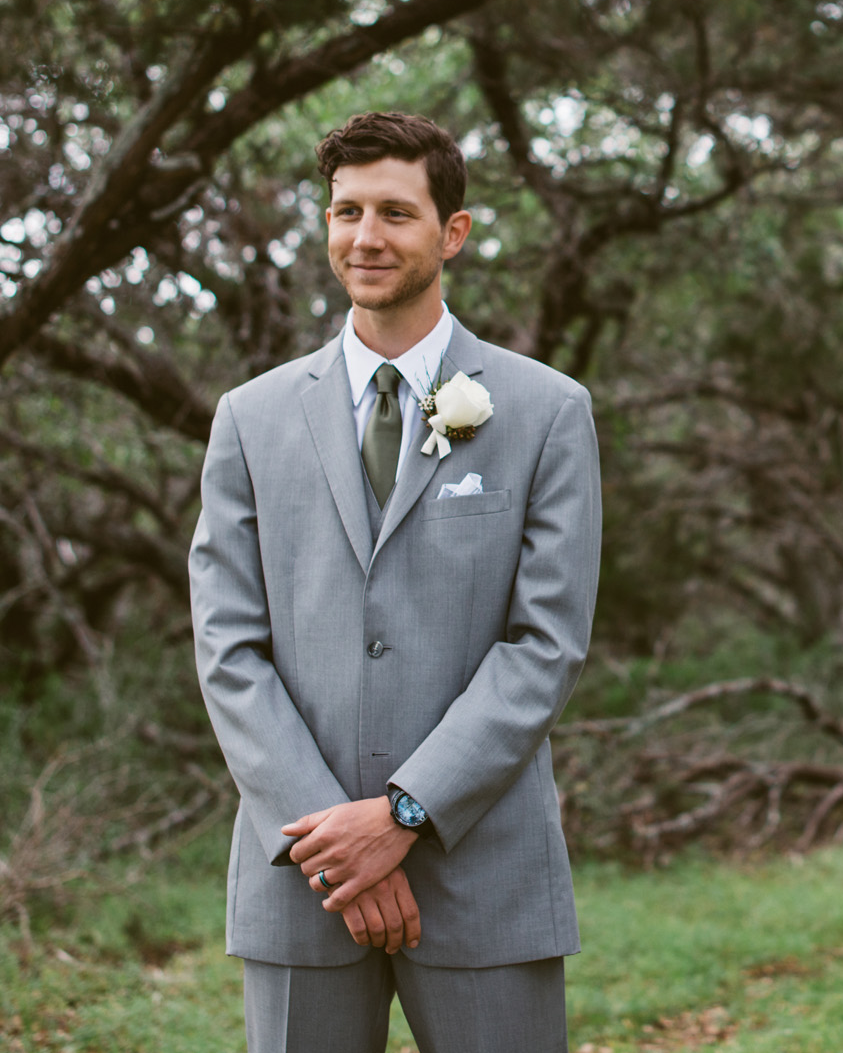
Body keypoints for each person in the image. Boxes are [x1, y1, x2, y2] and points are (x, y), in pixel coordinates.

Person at [189, 111, 601, 1053]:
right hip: (304, 880)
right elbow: (228, 647)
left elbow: (546, 644)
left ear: (451, 232)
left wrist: (407, 814)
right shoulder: (249, 420)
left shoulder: (545, 411)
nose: (365, 237)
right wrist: (337, 847)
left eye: (395, 213)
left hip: (485, 872)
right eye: (345, 212)